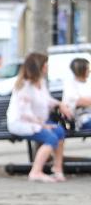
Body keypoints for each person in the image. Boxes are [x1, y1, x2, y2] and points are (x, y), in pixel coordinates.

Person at [7, 52, 72, 182]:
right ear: (38, 67)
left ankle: (57, 168)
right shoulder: (23, 86)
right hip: (22, 123)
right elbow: (24, 113)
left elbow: (46, 100)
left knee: (59, 131)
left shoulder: (41, 82)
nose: (47, 67)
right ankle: (35, 172)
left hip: (38, 121)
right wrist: (43, 125)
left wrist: (60, 104)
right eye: (45, 65)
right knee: (51, 137)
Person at [63, 57, 91, 129]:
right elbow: (79, 101)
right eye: (87, 68)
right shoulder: (70, 85)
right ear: (81, 70)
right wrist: (85, 100)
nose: (89, 70)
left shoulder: (88, 83)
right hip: (83, 119)